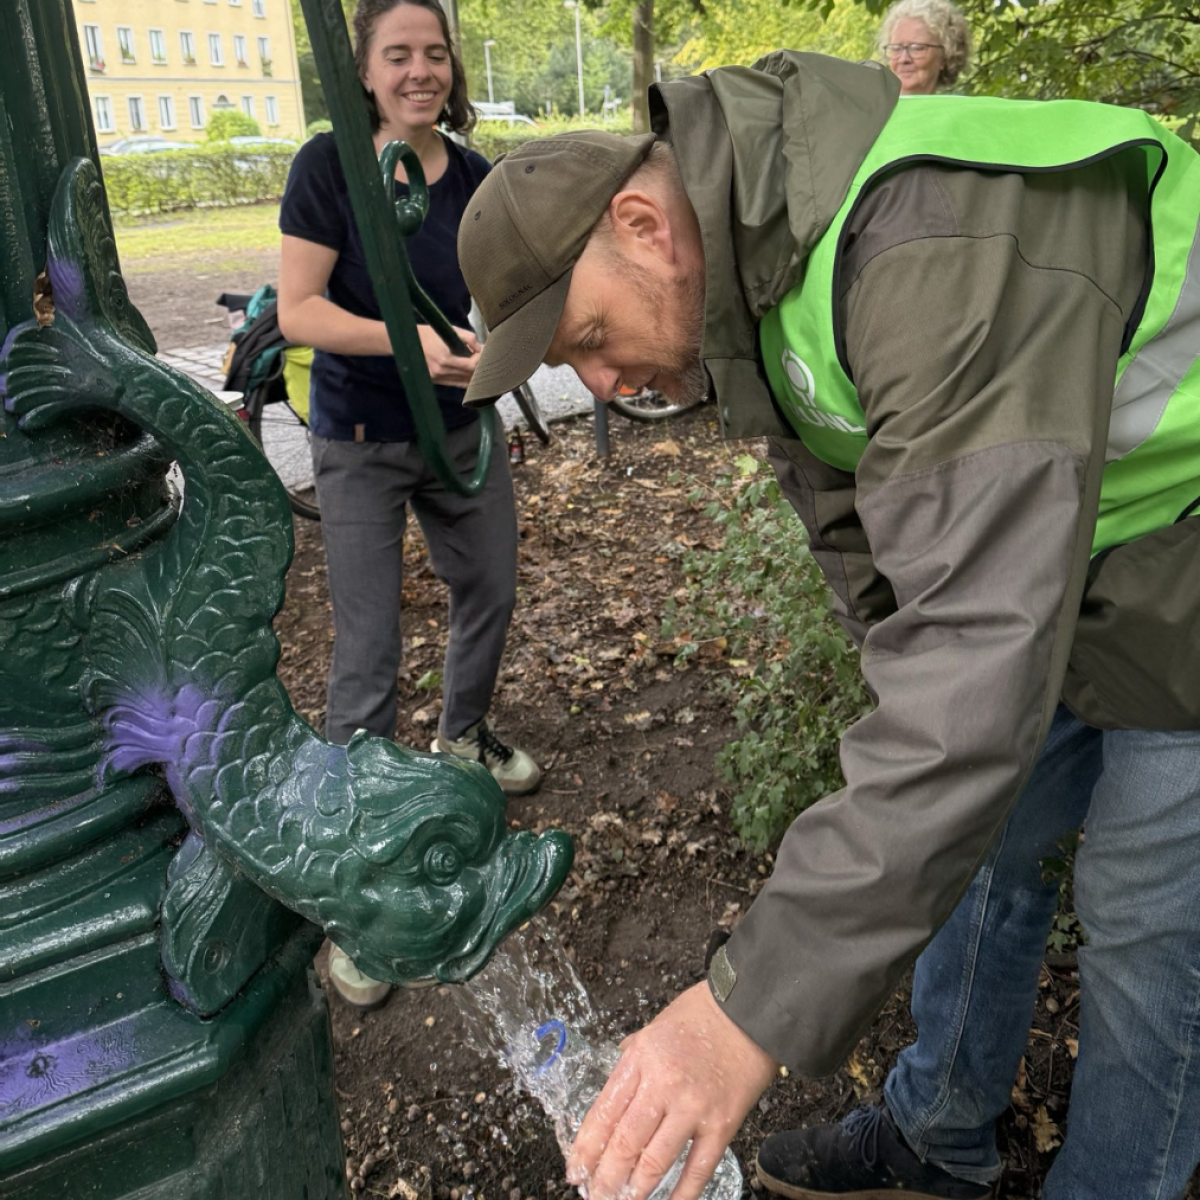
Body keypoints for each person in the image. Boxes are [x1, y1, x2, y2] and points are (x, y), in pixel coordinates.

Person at [455, 50, 1200, 1200]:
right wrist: (927, 755)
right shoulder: (765, 274)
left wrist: (744, 1011)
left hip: (1184, 561)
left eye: (588, 339)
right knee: (982, 841)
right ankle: (936, 1132)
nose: (600, 387)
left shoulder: (924, 250)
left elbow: (973, 663)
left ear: (644, 223)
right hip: (1071, 543)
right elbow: (869, 545)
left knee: (1146, 923)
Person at [277, 0, 541, 1010]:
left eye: (435, 53)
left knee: (492, 589)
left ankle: (462, 737)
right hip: (359, 441)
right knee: (368, 654)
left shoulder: (470, 176)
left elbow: (503, 298)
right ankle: (357, 886)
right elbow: (300, 310)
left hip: (458, 429)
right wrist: (406, 344)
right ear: (365, 68)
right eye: (399, 54)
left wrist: (490, 353)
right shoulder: (329, 166)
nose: (421, 70)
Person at [878, 0, 971, 95]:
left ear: (945, 56)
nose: (903, 59)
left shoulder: (961, 109)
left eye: (917, 48)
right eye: (896, 48)